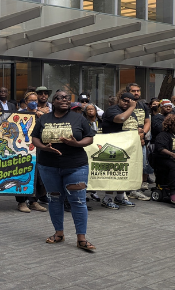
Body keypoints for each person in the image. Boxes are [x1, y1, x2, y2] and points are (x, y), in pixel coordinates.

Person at [30, 90, 96, 251]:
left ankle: (81, 238)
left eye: (67, 98)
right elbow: (35, 138)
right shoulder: (44, 118)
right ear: (54, 101)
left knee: (78, 201)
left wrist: (77, 144)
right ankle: (59, 233)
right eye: (60, 97)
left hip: (75, 166)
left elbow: (90, 137)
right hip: (48, 166)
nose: (64, 99)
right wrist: (44, 147)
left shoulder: (78, 118)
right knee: (54, 199)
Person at [99, 92, 144, 209]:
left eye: (130, 101)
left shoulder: (131, 112)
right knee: (113, 173)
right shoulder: (112, 110)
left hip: (127, 148)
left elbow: (134, 126)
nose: (127, 103)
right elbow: (121, 119)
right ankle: (107, 198)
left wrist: (140, 133)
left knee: (123, 173)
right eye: (125, 100)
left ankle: (120, 197)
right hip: (112, 147)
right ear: (119, 99)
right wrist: (132, 107)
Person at [126, 83, 152, 198]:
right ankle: (126, 189)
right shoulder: (123, 105)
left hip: (141, 139)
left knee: (140, 164)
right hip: (127, 139)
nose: (136, 93)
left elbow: (147, 122)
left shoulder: (143, 105)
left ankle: (135, 189)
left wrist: (143, 134)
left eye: (138, 91)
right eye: (133, 91)